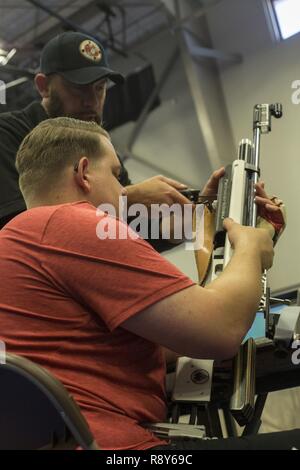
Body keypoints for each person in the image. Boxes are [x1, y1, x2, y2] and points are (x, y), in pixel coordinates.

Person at [0, 116, 299, 450]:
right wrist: (252, 247)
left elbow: (168, 334)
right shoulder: (73, 225)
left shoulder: (17, 240)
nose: (121, 191)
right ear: (84, 172)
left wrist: (210, 227)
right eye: (115, 175)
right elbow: (220, 330)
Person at [0, 31, 190, 233]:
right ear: (43, 86)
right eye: (78, 88)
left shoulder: (98, 147)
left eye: (99, 88)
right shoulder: (7, 134)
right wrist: (127, 198)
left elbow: (125, 231)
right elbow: (20, 229)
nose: (91, 101)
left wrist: (186, 219)